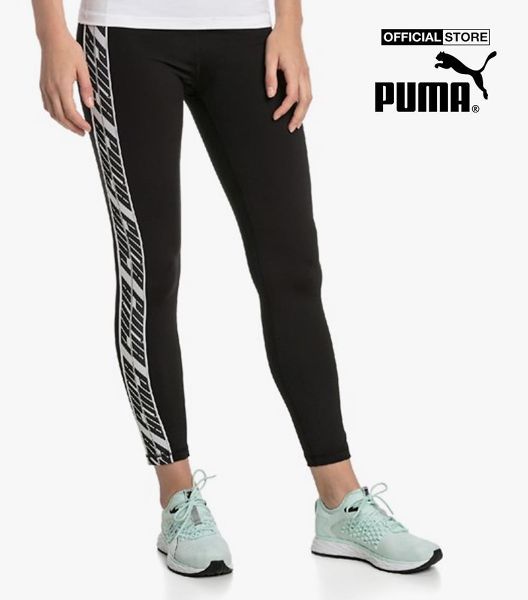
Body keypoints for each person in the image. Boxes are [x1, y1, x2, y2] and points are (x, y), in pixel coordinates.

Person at [31, 0, 442, 577]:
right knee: (150, 270)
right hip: (125, 32)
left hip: (248, 34)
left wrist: (290, 24)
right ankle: (177, 499)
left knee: (292, 267)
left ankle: (340, 503)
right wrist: (51, 33)